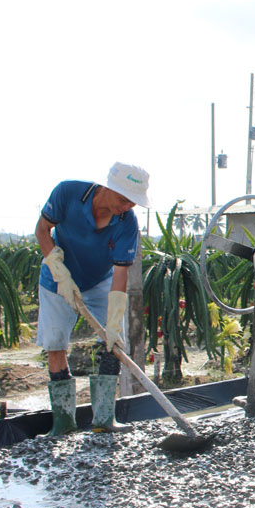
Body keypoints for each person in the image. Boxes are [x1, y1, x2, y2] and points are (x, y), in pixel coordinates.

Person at [36, 162, 151, 437]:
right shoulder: (67, 193)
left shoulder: (127, 222)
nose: (126, 207)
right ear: (107, 187)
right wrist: (59, 271)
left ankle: (104, 420)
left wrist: (113, 322)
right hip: (58, 279)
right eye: (123, 199)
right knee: (55, 344)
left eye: (132, 203)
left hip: (100, 280)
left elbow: (120, 274)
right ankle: (63, 424)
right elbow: (42, 230)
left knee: (113, 343)